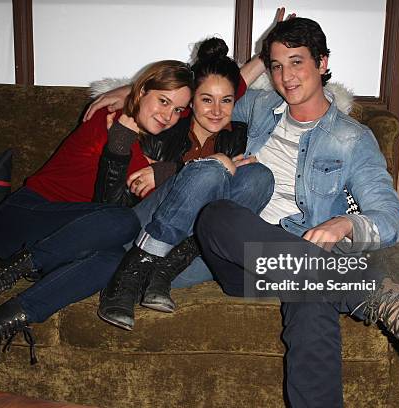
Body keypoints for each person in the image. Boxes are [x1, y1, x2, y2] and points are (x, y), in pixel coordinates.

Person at [192, 17, 399, 407]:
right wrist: (129, 92)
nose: (286, 77)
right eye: (277, 66)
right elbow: (204, 90)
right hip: (239, 258)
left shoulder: (353, 139)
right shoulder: (261, 107)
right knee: (216, 214)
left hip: (304, 266)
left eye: (297, 62)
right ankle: (377, 295)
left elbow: (390, 217)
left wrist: (346, 222)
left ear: (323, 63)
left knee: (310, 291)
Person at [0, 60, 195, 389]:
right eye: (163, 102)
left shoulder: (151, 153)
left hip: (62, 245)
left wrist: (167, 169)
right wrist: (128, 89)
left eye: (177, 110)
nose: (169, 116)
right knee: (122, 221)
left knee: (113, 259)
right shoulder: (107, 118)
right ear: (142, 91)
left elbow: (216, 94)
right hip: (22, 217)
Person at [95, 38, 275, 331]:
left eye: (226, 100)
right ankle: (129, 275)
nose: (217, 111)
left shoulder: (242, 138)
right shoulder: (160, 129)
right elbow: (107, 210)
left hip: (185, 260)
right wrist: (174, 171)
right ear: (191, 102)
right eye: (207, 99)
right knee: (211, 171)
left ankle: (161, 271)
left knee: (260, 176)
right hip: (136, 238)